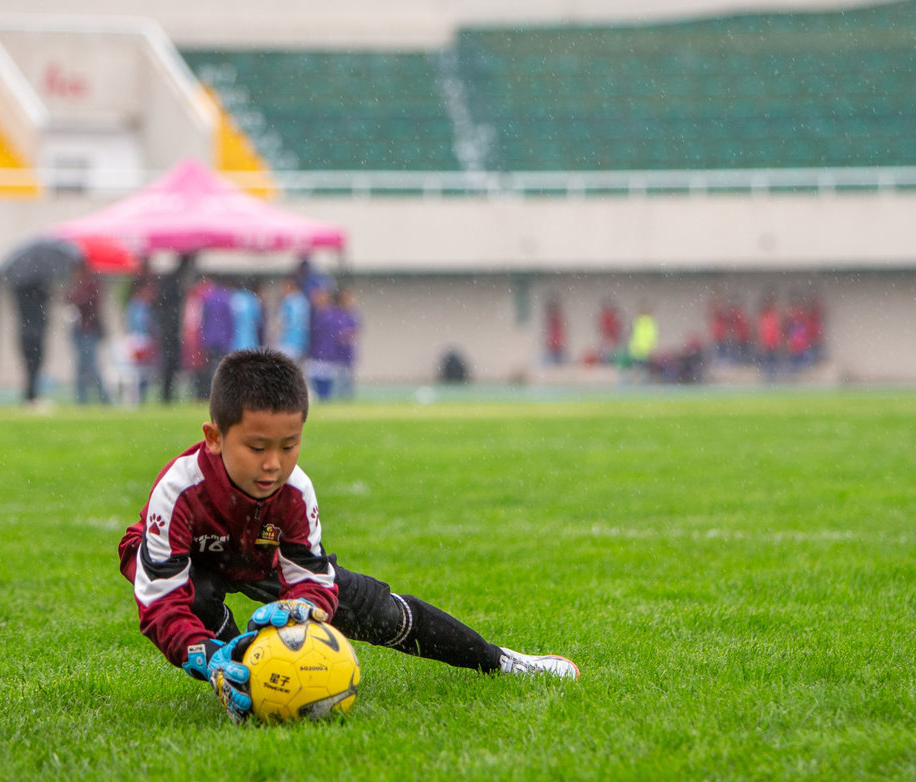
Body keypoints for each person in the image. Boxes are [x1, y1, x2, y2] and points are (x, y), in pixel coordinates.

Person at [116, 348, 578, 723]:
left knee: (372, 610)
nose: (273, 463)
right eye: (256, 447)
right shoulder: (178, 490)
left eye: (289, 445)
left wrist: (306, 607)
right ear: (214, 437)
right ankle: (239, 681)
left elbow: (311, 579)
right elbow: (161, 603)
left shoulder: (295, 491)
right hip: (188, 563)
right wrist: (206, 656)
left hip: (258, 554)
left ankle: (499, 660)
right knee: (197, 600)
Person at [65, 262, 110, 404]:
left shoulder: (91, 285)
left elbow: (88, 303)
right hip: (78, 330)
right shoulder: (75, 285)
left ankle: (103, 398)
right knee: (81, 367)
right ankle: (82, 399)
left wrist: (76, 296)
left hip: (89, 330)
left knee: (91, 365)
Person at [154, 253, 194, 404]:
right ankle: (167, 394)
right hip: (170, 329)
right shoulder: (173, 283)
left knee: (170, 362)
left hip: (170, 329)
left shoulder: (170, 282)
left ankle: (168, 393)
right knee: (170, 362)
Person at [13, 279, 51, 405]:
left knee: (29, 366)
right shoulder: (39, 294)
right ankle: (31, 395)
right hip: (35, 334)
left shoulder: (19, 292)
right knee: (35, 365)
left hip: (24, 334)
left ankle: (30, 394)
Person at [274, 273, 310, 363]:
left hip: (287, 342)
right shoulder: (304, 301)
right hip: (300, 343)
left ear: (289, 285)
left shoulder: (288, 301)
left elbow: (283, 322)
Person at [230, 280, 264, 352]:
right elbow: (258, 321)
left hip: (235, 340)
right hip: (250, 339)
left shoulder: (234, 298)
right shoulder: (252, 299)